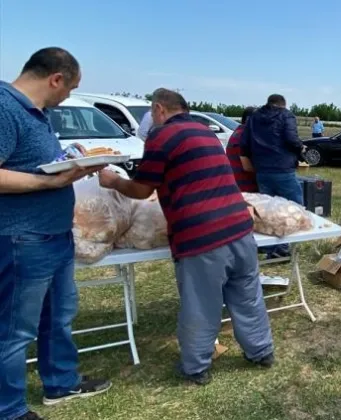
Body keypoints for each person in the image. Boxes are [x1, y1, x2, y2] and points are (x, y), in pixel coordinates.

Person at [99, 88, 275, 386]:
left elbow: (142, 189)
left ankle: (196, 367)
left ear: (159, 109)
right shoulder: (205, 131)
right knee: (247, 294)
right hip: (239, 227)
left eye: (151, 114)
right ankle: (261, 351)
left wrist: (114, 181)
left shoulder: (162, 136)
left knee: (200, 303)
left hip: (200, 235)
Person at [0, 47, 112, 420]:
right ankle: (9, 408)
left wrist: (70, 159)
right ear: (56, 79)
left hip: (54, 235)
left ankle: (61, 382)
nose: (67, 97)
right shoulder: (5, 107)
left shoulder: (39, 114)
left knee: (59, 315)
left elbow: (29, 161)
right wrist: (43, 183)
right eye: (70, 88)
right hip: (23, 238)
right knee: (15, 329)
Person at [240, 94, 305, 259]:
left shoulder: (254, 117)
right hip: (283, 169)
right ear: (283, 105)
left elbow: (245, 144)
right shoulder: (286, 115)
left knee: (268, 210)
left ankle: (271, 249)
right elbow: (291, 138)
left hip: (262, 170)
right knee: (294, 208)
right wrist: (301, 149)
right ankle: (283, 247)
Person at [225, 106, 257, 192]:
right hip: (246, 187)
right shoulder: (245, 136)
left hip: (235, 183)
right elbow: (247, 167)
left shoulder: (237, 132)